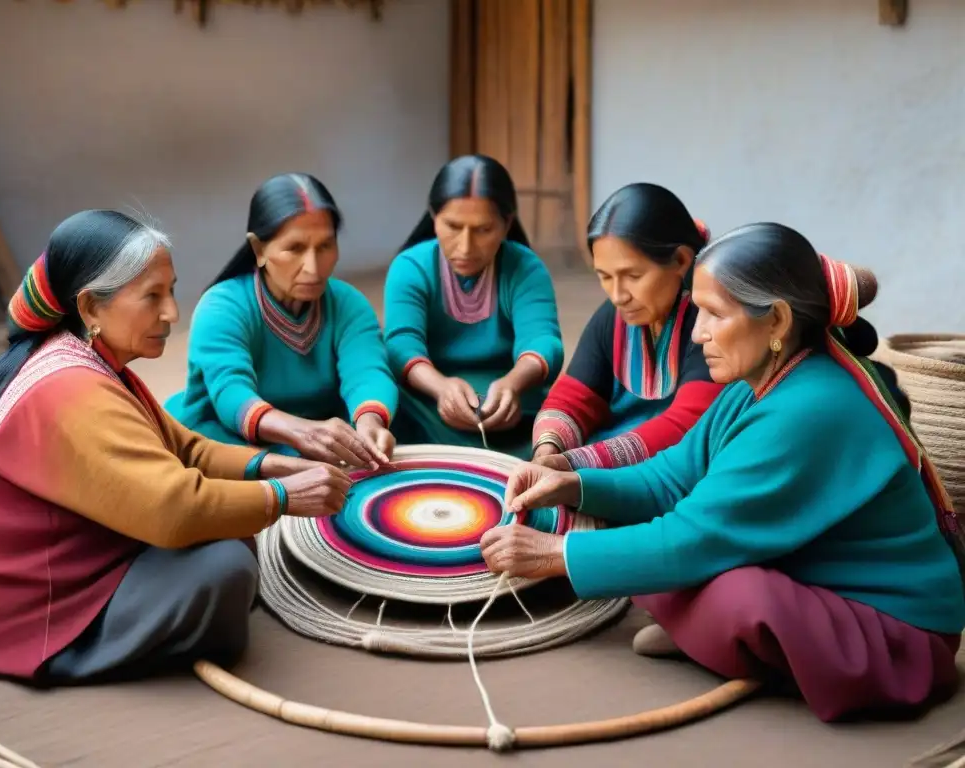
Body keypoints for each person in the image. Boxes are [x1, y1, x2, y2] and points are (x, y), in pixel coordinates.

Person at [479, 222, 965, 723]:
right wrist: (576, 484)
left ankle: (739, 644)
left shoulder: (812, 406)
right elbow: (672, 476)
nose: (697, 333)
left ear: (775, 320)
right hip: (805, 571)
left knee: (732, 594)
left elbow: (693, 538)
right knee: (649, 557)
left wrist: (556, 555)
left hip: (893, 633)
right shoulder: (757, 378)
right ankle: (713, 633)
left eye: (714, 314)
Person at [0, 210, 352, 685]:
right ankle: (96, 652)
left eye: (171, 290)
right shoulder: (71, 390)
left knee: (231, 529)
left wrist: (269, 465)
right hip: (44, 619)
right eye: (152, 297)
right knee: (226, 565)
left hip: (79, 570)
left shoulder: (90, 358)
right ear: (91, 307)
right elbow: (172, 509)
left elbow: (186, 449)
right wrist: (282, 497)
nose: (172, 313)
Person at [164, 173, 398, 470]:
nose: (313, 267)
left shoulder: (347, 304)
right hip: (231, 437)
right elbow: (232, 395)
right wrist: (302, 432)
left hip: (317, 435)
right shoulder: (222, 308)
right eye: (295, 249)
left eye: (325, 246)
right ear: (259, 250)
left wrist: (370, 422)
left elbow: (367, 371)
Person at [531, 183, 724, 470]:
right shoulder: (615, 315)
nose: (618, 295)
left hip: (674, 470)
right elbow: (574, 396)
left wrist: (574, 463)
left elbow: (688, 425)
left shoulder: (711, 322)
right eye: (605, 276)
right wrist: (549, 448)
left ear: (681, 260)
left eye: (632, 275)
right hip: (599, 462)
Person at [383, 154, 563, 459]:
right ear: (433, 217)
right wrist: (441, 388)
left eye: (483, 230)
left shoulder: (525, 268)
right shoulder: (410, 268)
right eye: (453, 226)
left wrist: (512, 385)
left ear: (506, 224)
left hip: (514, 411)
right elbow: (401, 345)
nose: (465, 246)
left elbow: (544, 341)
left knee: (566, 423)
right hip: (427, 408)